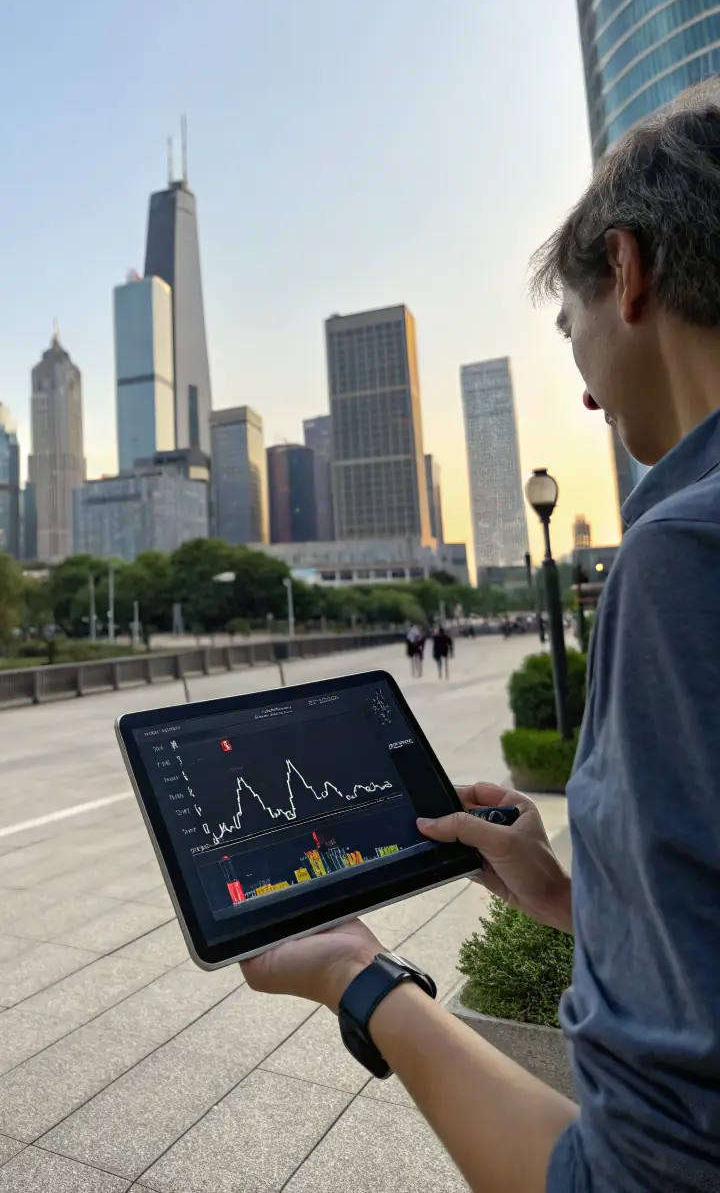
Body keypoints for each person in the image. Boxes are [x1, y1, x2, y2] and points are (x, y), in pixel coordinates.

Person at [243, 79, 720, 1191]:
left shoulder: (685, 553)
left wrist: (362, 982)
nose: (587, 389)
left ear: (627, 271)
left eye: (572, 332)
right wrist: (566, 896)